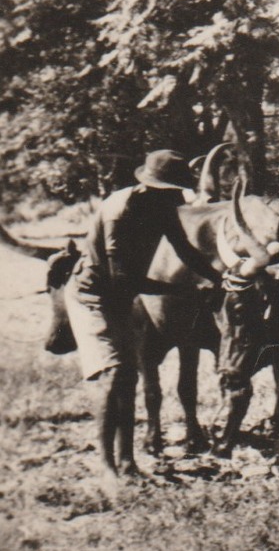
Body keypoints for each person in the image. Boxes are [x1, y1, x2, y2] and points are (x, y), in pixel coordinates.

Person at [63, 149, 222, 484]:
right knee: (113, 376)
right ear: (152, 187)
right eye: (174, 190)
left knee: (129, 378)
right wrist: (181, 290)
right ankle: (108, 468)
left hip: (120, 299)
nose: (179, 197)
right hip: (92, 296)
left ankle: (128, 464)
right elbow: (122, 278)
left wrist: (217, 277)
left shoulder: (163, 206)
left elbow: (185, 250)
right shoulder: (119, 211)